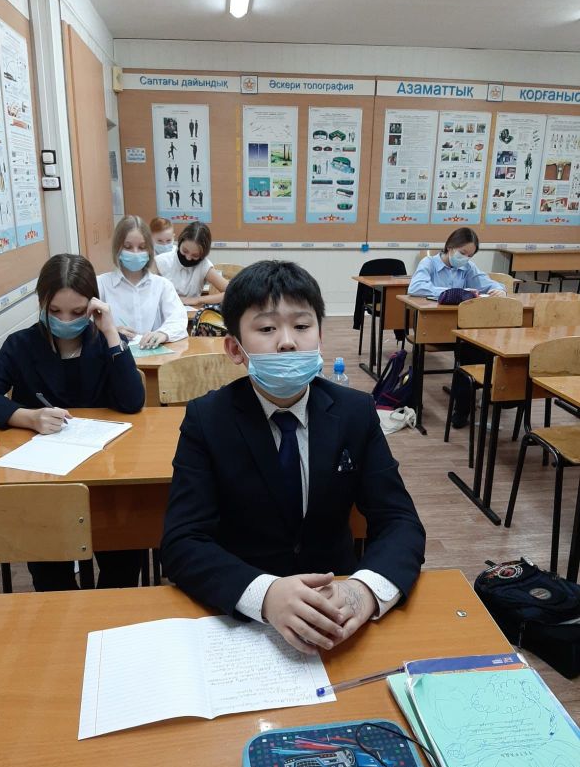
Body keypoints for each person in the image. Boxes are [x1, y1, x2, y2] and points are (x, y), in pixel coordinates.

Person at [161, 260, 425, 655]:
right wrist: (264, 594)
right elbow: (182, 542)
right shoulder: (207, 419)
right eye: (267, 329)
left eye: (302, 326)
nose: (287, 342)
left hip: (337, 613)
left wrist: (364, 589)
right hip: (243, 622)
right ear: (235, 348)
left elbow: (399, 521)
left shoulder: (354, 412)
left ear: (320, 337)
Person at [0, 253, 146, 591]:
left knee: (124, 560)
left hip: (106, 477)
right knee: (50, 575)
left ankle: (106, 614)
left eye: (76, 312)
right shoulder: (21, 345)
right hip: (44, 479)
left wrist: (110, 331)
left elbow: (132, 402)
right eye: (55, 311)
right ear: (42, 304)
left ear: (93, 307)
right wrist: (28, 416)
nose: (65, 320)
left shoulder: (104, 342)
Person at [408, 228, 506, 429]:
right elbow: (415, 288)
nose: (466, 258)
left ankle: (470, 402)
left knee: (479, 350)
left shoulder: (468, 267)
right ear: (450, 247)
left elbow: (488, 284)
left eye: (470, 255)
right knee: (470, 351)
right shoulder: (429, 263)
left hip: (462, 330)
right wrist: (454, 293)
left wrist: (499, 290)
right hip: (435, 329)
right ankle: (465, 404)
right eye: (463, 253)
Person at [97, 214, 188, 349]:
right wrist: (110, 332)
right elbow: (85, 324)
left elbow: (178, 320)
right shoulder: (101, 284)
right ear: (117, 248)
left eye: (142, 247)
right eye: (128, 247)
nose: (135, 252)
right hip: (115, 357)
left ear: (149, 250)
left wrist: (163, 333)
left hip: (154, 357)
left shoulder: (162, 285)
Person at [154, 221, 228, 307]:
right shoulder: (161, 261)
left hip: (190, 314)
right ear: (180, 243)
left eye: (195, 255)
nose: (188, 258)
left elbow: (232, 292)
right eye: (185, 251)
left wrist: (197, 300)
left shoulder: (204, 265)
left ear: (203, 255)